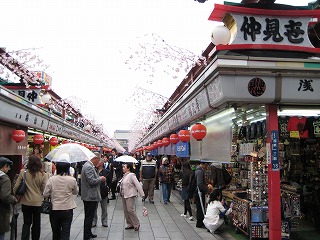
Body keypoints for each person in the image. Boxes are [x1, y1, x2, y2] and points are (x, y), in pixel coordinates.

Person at [14, 155, 48, 240]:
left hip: (25, 202)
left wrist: (17, 195)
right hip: (37, 202)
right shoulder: (43, 174)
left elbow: (16, 186)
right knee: (36, 223)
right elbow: (44, 190)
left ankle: (25, 238)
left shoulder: (23, 172)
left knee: (26, 222)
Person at [43, 160, 78, 240]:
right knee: (66, 232)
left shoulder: (52, 179)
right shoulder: (72, 180)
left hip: (54, 209)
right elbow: (76, 192)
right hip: (67, 209)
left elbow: (45, 194)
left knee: (56, 232)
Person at [81, 152, 106, 240]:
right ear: (95, 158)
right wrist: (101, 179)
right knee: (89, 216)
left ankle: (89, 233)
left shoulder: (88, 166)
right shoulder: (88, 167)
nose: (98, 162)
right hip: (89, 196)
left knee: (90, 216)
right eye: (98, 160)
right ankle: (86, 235)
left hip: (89, 195)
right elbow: (91, 181)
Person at [119, 162, 145, 231]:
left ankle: (136, 223)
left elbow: (138, 185)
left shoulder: (131, 175)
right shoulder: (124, 175)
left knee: (130, 210)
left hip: (130, 194)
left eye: (124, 167)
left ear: (128, 168)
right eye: (123, 167)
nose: (123, 168)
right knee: (126, 210)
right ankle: (129, 223)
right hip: (124, 194)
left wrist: (142, 194)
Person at [0, 157, 17, 240]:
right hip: (2, 211)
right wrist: (13, 199)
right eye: (8, 167)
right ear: (4, 166)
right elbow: (5, 196)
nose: (9, 169)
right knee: (1, 233)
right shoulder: (5, 179)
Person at [92, 158, 110, 227]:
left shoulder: (106, 171)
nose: (97, 163)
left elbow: (109, 181)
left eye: (98, 162)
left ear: (102, 163)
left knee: (104, 208)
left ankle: (104, 221)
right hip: (95, 191)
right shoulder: (93, 170)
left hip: (103, 191)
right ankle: (94, 221)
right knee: (94, 208)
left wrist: (107, 187)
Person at [195, 161, 208, 228]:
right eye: (206, 165)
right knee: (200, 207)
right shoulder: (200, 171)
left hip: (198, 192)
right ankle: (199, 223)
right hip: (199, 192)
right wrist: (206, 190)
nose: (206, 167)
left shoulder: (198, 170)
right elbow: (199, 183)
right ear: (203, 164)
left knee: (200, 207)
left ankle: (200, 222)